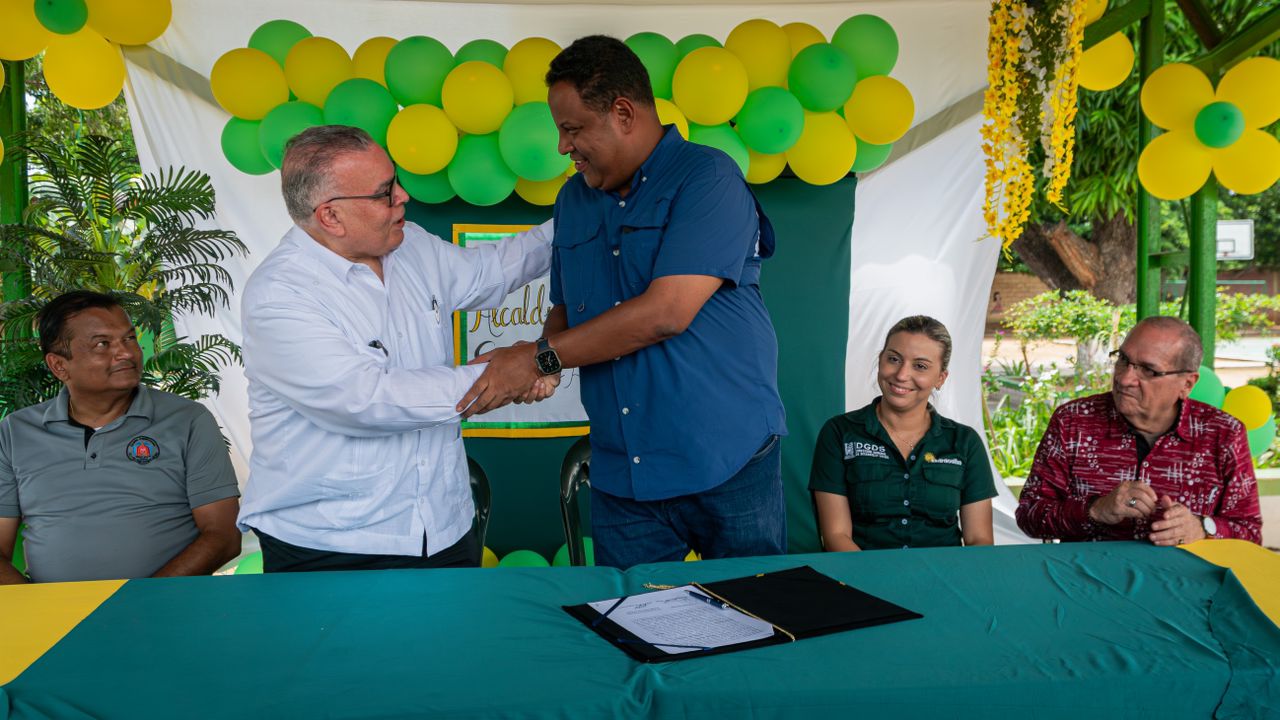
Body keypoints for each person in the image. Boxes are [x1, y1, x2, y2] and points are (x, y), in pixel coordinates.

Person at [457, 35, 787, 569]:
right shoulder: (573, 198)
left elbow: (666, 313)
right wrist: (541, 367)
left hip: (725, 456)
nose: (562, 146)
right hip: (623, 469)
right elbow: (565, 308)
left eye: (572, 129)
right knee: (631, 613)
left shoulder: (708, 178)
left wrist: (538, 359)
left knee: (751, 607)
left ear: (623, 113)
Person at [237, 125, 555, 573]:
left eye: (397, 182)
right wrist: (505, 374)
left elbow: (491, 272)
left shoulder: (412, 245)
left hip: (444, 525)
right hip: (331, 543)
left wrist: (577, 219)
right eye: (385, 192)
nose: (403, 196)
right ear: (330, 216)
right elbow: (366, 400)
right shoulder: (280, 294)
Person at [0, 291, 240, 584]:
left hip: (166, 604)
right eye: (103, 344)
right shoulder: (15, 432)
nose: (127, 353)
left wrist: (141, 600)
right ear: (59, 365)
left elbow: (223, 536)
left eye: (129, 338)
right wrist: (35, 606)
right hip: (53, 610)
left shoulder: (187, 420)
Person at [1016, 316, 1262, 544]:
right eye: (1123, 360)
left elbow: (1249, 532)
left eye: (1148, 370)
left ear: (1187, 384)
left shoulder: (1224, 434)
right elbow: (1029, 515)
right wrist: (1095, 510)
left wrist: (1202, 528)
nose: (1124, 379)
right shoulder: (1073, 422)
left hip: (1184, 576)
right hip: (1084, 574)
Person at [810, 316, 996, 551]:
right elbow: (836, 536)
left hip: (944, 572)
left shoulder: (965, 442)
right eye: (894, 359)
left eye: (920, 366)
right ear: (880, 360)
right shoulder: (839, 433)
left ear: (940, 378)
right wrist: (876, 574)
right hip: (861, 571)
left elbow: (979, 540)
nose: (901, 374)